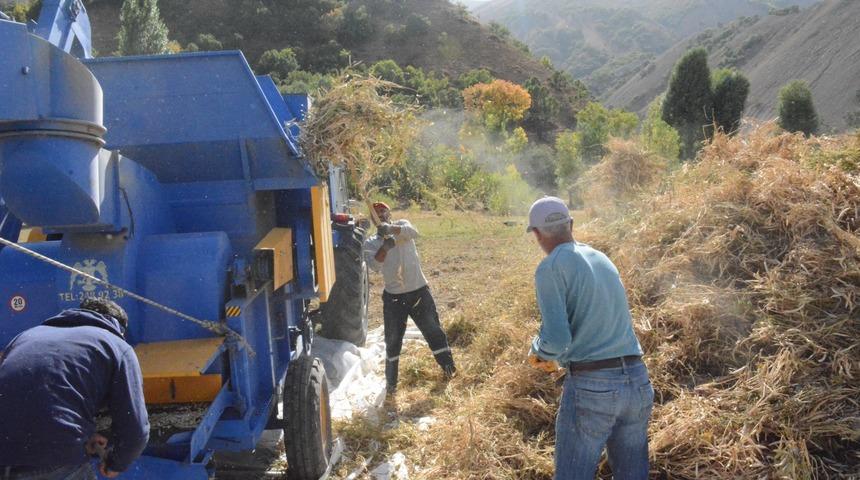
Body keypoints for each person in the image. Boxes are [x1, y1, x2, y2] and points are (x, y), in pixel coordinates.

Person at [525, 196, 653, 480]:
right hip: (637, 381)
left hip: (594, 387)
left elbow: (557, 340)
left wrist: (538, 351)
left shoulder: (550, 267)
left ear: (536, 233)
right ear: (570, 224)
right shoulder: (601, 257)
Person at [0, 298, 150, 480]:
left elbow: (35, 393)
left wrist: (86, 434)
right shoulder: (116, 345)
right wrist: (115, 462)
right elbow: (135, 429)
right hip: (54, 456)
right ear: (119, 327)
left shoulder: (25, 337)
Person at [364, 202, 456, 393]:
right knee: (393, 341)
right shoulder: (370, 243)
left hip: (419, 291)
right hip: (394, 299)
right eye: (377, 214)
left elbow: (414, 232)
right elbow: (374, 265)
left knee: (433, 331)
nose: (381, 215)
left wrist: (392, 230)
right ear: (373, 219)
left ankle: (449, 371)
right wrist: (385, 247)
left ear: (389, 214)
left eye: (383, 212)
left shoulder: (402, 226)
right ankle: (391, 385)